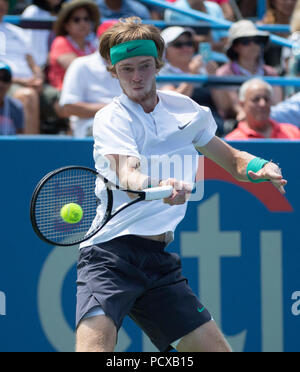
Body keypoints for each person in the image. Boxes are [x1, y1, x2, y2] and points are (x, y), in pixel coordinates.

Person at [75, 17, 287, 353]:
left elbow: (232, 160)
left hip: (158, 261)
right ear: (113, 71)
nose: (136, 77)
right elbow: (126, 174)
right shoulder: (111, 118)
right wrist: (156, 185)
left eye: (144, 66)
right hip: (109, 256)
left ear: (158, 64)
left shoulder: (187, 111)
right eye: (126, 68)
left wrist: (260, 167)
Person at [158, 26, 225, 135]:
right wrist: (192, 76)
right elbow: (173, 103)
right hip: (181, 129)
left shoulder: (205, 68)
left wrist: (214, 77)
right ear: (165, 50)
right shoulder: (161, 72)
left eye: (189, 44)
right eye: (178, 45)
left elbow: (224, 106)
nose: (185, 48)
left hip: (214, 126)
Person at [59, 21, 122, 137]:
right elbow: (68, 107)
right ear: (99, 40)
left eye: (119, 39)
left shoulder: (132, 65)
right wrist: (115, 109)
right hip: (92, 126)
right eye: (109, 39)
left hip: (125, 124)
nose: (114, 43)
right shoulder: (81, 64)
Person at [216, 20, 283, 124]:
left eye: (256, 40)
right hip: (238, 124)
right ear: (236, 47)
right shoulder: (224, 73)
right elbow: (231, 107)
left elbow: (277, 104)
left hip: (270, 122)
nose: (253, 45)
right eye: (245, 42)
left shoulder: (270, 72)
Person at [0, 0, 42, 134]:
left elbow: (33, 63)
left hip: (29, 83)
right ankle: (29, 151)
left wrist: (38, 78)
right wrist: (20, 81)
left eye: (4, 1)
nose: (1, 4)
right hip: (7, 82)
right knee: (28, 95)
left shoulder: (18, 32)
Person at [48, 0, 100, 91]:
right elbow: (77, 70)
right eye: (76, 20)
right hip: (64, 93)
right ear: (66, 25)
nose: (82, 23)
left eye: (86, 19)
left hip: (90, 91)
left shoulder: (92, 45)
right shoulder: (60, 42)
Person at [225, 78, 300, 139]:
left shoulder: (292, 133)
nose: (263, 104)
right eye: (256, 99)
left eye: (266, 99)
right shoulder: (232, 141)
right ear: (242, 104)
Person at [21, 0, 66, 68]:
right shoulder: (32, 11)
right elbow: (28, 46)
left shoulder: (67, 11)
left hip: (59, 64)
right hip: (37, 67)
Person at [0, 62, 24, 135]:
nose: (1, 84)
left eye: (5, 79)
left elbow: (19, 138)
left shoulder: (16, 106)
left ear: (10, 83)